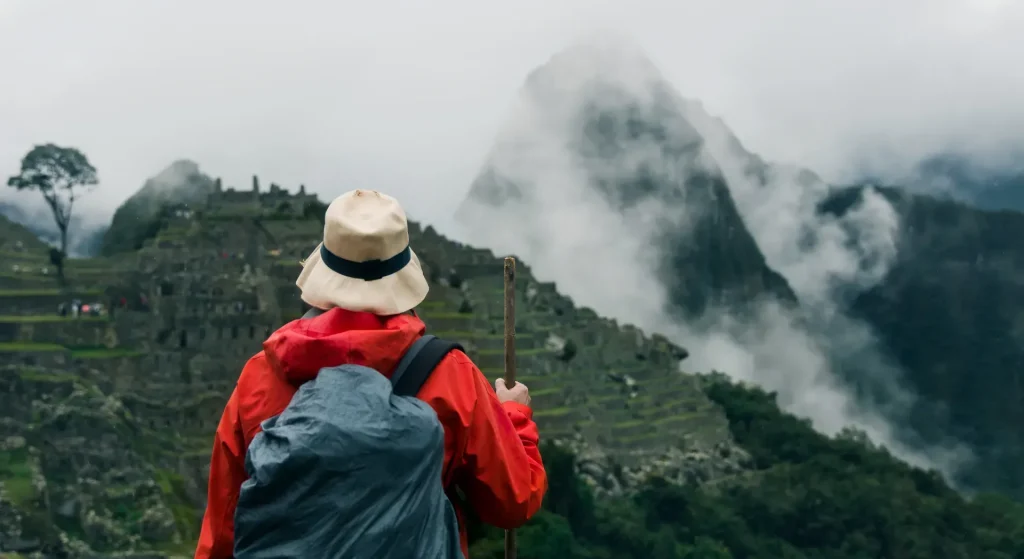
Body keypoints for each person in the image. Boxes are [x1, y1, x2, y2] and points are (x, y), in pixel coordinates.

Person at [195, 189, 548, 559]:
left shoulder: (262, 376)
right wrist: (514, 417)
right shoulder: (449, 375)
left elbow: (224, 525)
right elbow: (512, 500)